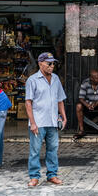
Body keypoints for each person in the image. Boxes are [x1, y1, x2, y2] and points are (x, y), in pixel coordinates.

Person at [25, 52, 67, 187]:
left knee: (53, 149)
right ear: (40, 63)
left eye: (53, 63)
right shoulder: (32, 80)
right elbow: (28, 103)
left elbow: (60, 100)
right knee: (35, 150)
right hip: (38, 121)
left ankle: (52, 175)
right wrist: (32, 123)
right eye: (49, 63)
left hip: (53, 121)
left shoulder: (55, 79)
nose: (52, 66)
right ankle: (34, 176)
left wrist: (64, 117)